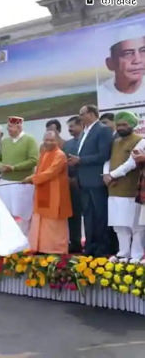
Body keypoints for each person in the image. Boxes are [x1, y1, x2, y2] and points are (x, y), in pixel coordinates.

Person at [68, 105, 116, 256]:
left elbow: (104, 155)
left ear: (92, 114)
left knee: (100, 215)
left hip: (96, 180)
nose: (80, 117)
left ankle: (103, 248)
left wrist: (80, 160)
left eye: (82, 114)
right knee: (88, 216)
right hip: (84, 181)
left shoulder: (102, 130)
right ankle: (90, 247)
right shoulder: (85, 132)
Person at [102, 112, 145, 263]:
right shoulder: (115, 142)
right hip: (113, 188)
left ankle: (137, 254)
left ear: (132, 125)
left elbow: (131, 163)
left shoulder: (140, 141)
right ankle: (123, 252)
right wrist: (106, 174)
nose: (121, 127)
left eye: (124, 124)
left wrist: (112, 175)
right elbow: (107, 160)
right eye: (119, 125)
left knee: (135, 225)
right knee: (118, 223)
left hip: (130, 188)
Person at [22, 131, 72, 254]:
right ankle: (42, 248)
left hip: (56, 194)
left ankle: (56, 249)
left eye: (52, 140)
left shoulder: (60, 155)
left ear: (58, 141)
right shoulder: (44, 153)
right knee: (42, 219)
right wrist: (33, 177)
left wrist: (32, 179)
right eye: (46, 140)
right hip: (42, 190)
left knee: (53, 223)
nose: (49, 142)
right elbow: (40, 172)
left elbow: (51, 172)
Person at [0, 116, 39, 235]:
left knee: (25, 215)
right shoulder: (4, 141)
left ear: (19, 127)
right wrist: (0, 166)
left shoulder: (30, 140)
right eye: (8, 126)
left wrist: (14, 168)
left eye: (10, 127)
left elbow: (34, 160)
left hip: (22, 183)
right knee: (5, 213)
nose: (8, 129)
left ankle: (26, 242)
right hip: (5, 183)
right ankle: (9, 240)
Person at [97, 27, 145, 109]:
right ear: (110, 63)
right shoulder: (101, 95)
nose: (137, 60)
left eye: (143, 51)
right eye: (128, 53)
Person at [63, 116, 84, 253]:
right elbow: (63, 162)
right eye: (68, 127)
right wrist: (68, 178)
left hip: (86, 182)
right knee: (73, 215)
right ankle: (75, 242)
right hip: (71, 184)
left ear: (81, 126)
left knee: (89, 215)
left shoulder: (87, 141)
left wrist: (77, 177)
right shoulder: (67, 144)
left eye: (72, 126)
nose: (70, 129)